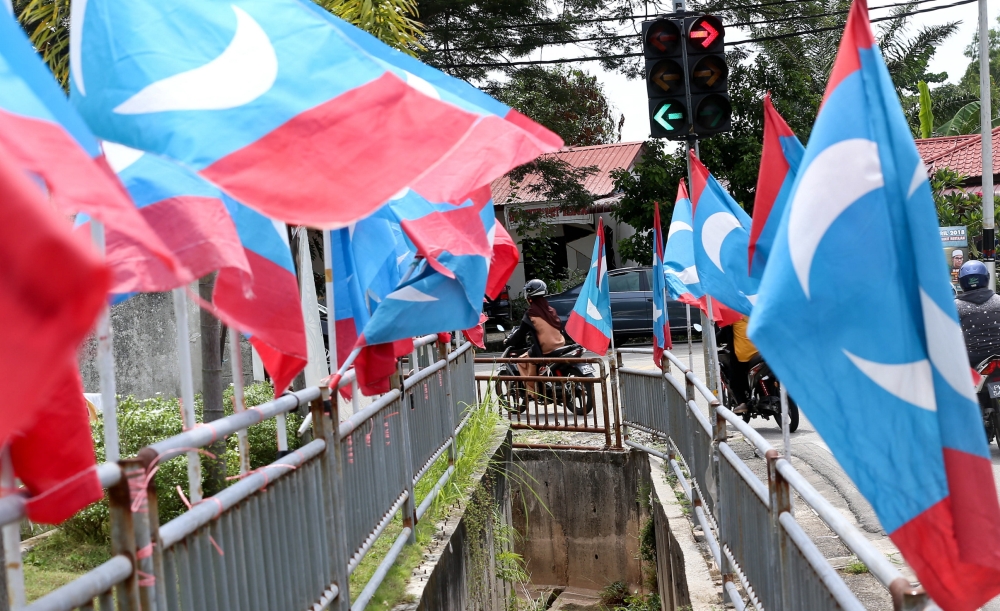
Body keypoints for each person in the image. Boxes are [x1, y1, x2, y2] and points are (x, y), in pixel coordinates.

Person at [503, 279, 567, 390]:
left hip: (545, 348)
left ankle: (532, 392)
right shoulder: (551, 310)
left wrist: (508, 341)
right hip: (560, 344)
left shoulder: (531, 313)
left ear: (529, 296)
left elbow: (520, 333)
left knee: (522, 361)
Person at [955, 260, 1000, 368]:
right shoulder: (998, 300)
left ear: (961, 281)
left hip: (971, 361)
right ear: (986, 278)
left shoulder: (955, 306)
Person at [729, 316, 759, 414]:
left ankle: (742, 403)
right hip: (762, 352)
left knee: (735, 379)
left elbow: (724, 335)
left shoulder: (733, 317)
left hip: (744, 357)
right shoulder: (757, 312)